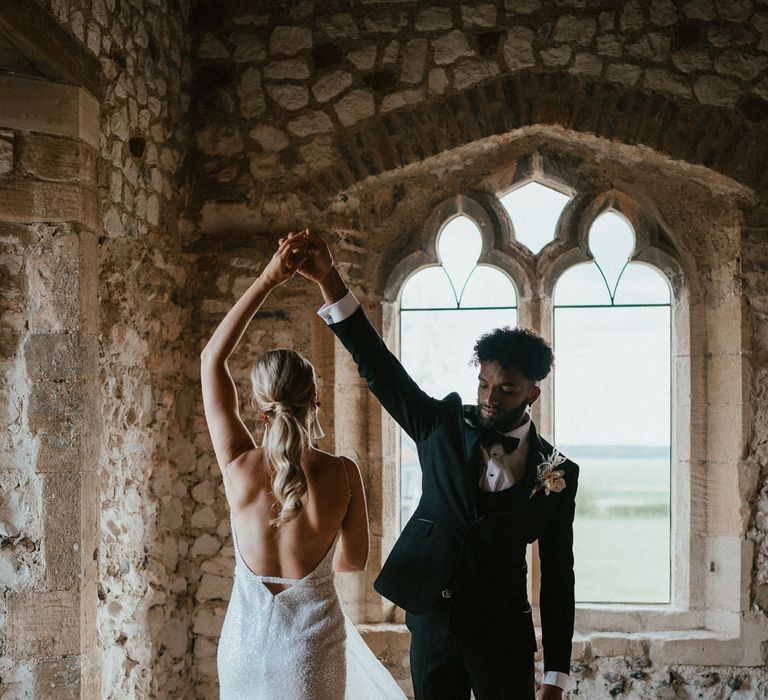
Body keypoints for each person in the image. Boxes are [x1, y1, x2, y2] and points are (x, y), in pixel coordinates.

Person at [294, 228, 579, 700]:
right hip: (434, 622)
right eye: (484, 383)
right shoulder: (440, 425)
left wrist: (556, 674)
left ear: (533, 393)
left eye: (506, 390)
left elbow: (558, 573)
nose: (489, 398)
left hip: (504, 632)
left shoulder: (559, 473)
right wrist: (329, 281)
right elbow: (379, 367)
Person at [201, 236, 406, 700]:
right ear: (316, 397)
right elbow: (353, 561)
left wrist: (269, 278)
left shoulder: (237, 465)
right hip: (310, 651)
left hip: (242, 649)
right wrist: (309, 570)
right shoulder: (343, 472)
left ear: (258, 405)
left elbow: (211, 358)